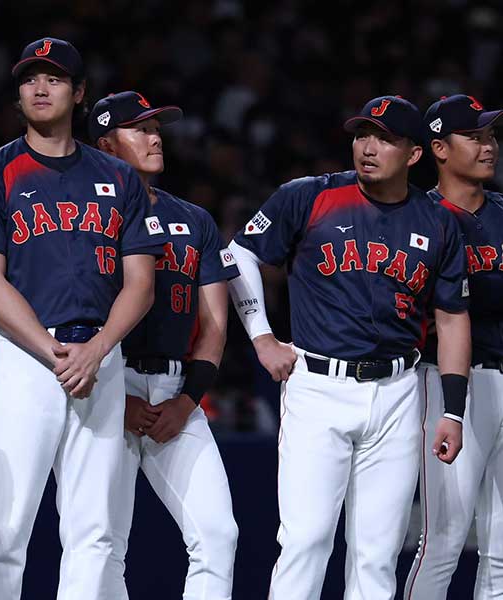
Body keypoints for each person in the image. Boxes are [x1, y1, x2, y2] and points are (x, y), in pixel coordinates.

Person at [226, 95, 471, 599]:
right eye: (362, 134)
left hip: (400, 391)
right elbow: (239, 254)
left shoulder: (438, 220)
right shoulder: (310, 196)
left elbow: (450, 318)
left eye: (385, 138)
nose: (368, 147)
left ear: (415, 154)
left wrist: (454, 412)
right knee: (306, 541)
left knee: (377, 553)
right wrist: (262, 336)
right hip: (318, 385)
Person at [0, 37, 162, 600]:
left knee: (94, 529)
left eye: (54, 78)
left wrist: (97, 350)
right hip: (25, 359)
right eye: (29, 79)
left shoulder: (117, 178)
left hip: (101, 358)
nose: (40, 88)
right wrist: (55, 352)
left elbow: (140, 283)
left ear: (79, 93)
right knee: (4, 526)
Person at [88, 90, 240, 599]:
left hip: (175, 389)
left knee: (218, 533)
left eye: (157, 129)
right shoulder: (84, 214)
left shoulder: (193, 219)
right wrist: (110, 397)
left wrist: (188, 400)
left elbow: (215, 322)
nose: (155, 138)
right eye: (140, 129)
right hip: (102, 385)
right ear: (107, 145)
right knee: (102, 542)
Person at [404, 94, 503, 598]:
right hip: (452, 382)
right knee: (443, 538)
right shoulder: (416, 216)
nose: (489, 147)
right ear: (439, 148)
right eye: (476, 137)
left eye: (491, 136)